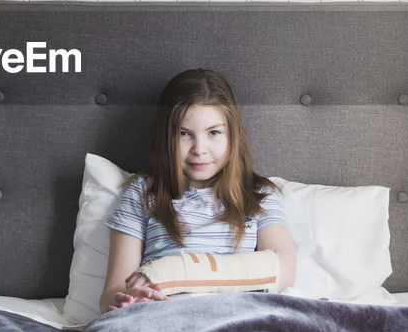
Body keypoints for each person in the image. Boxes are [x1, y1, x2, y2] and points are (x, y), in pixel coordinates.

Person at [101, 68, 296, 312]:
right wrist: (123, 300)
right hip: (161, 318)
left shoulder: (258, 195)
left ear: (232, 135)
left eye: (214, 132)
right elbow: (112, 292)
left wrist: (171, 274)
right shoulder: (143, 194)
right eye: (184, 134)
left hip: (234, 319)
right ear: (167, 136)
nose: (199, 148)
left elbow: (284, 270)